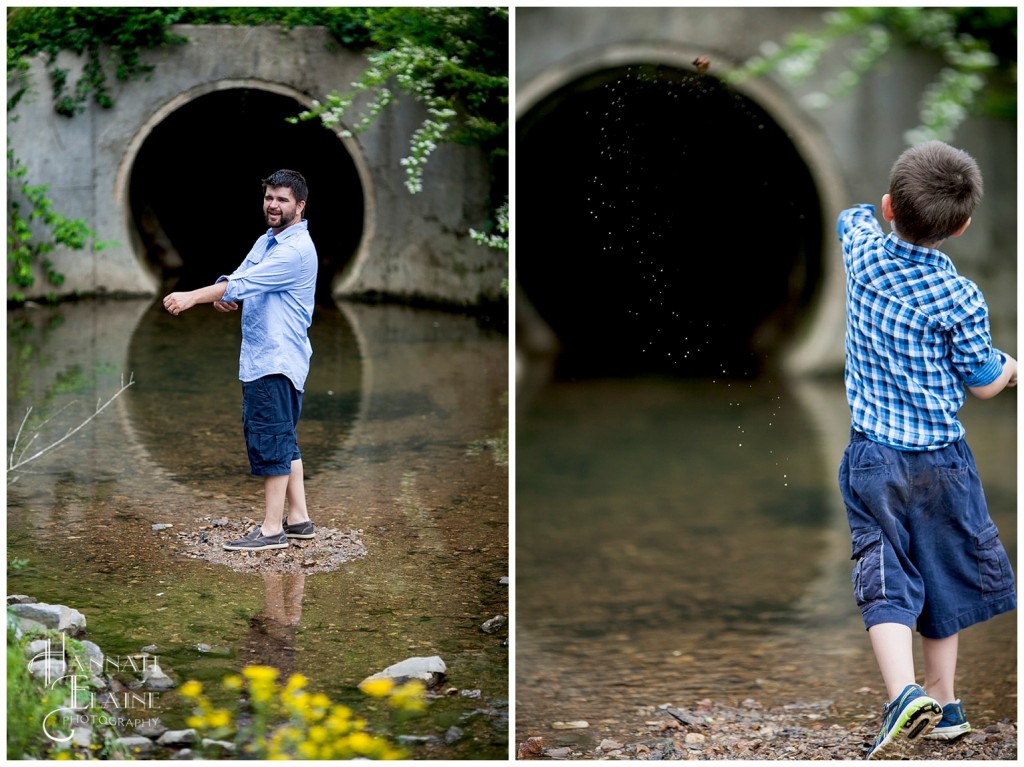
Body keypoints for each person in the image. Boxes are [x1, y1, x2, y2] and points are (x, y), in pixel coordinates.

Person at [837, 141, 1017, 760]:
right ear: (962, 227)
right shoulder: (961, 297)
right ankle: (943, 701)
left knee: (883, 568)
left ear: (890, 205)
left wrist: (872, 212)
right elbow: (984, 380)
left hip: (874, 457)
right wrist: (1012, 370)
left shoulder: (861, 251)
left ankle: (903, 695)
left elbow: (850, 217)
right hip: (943, 459)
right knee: (943, 573)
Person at [163, 169, 318, 552]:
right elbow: (242, 277)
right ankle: (298, 519)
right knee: (285, 439)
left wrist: (192, 297)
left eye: (282, 199)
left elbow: (247, 283)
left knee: (270, 440)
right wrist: (225, 292)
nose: (273, 205)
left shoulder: (295, 250)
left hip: (274, 361)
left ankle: (270, 531)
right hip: (269, 359)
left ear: (300, 206)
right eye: (269, 197)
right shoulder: (268, 240)